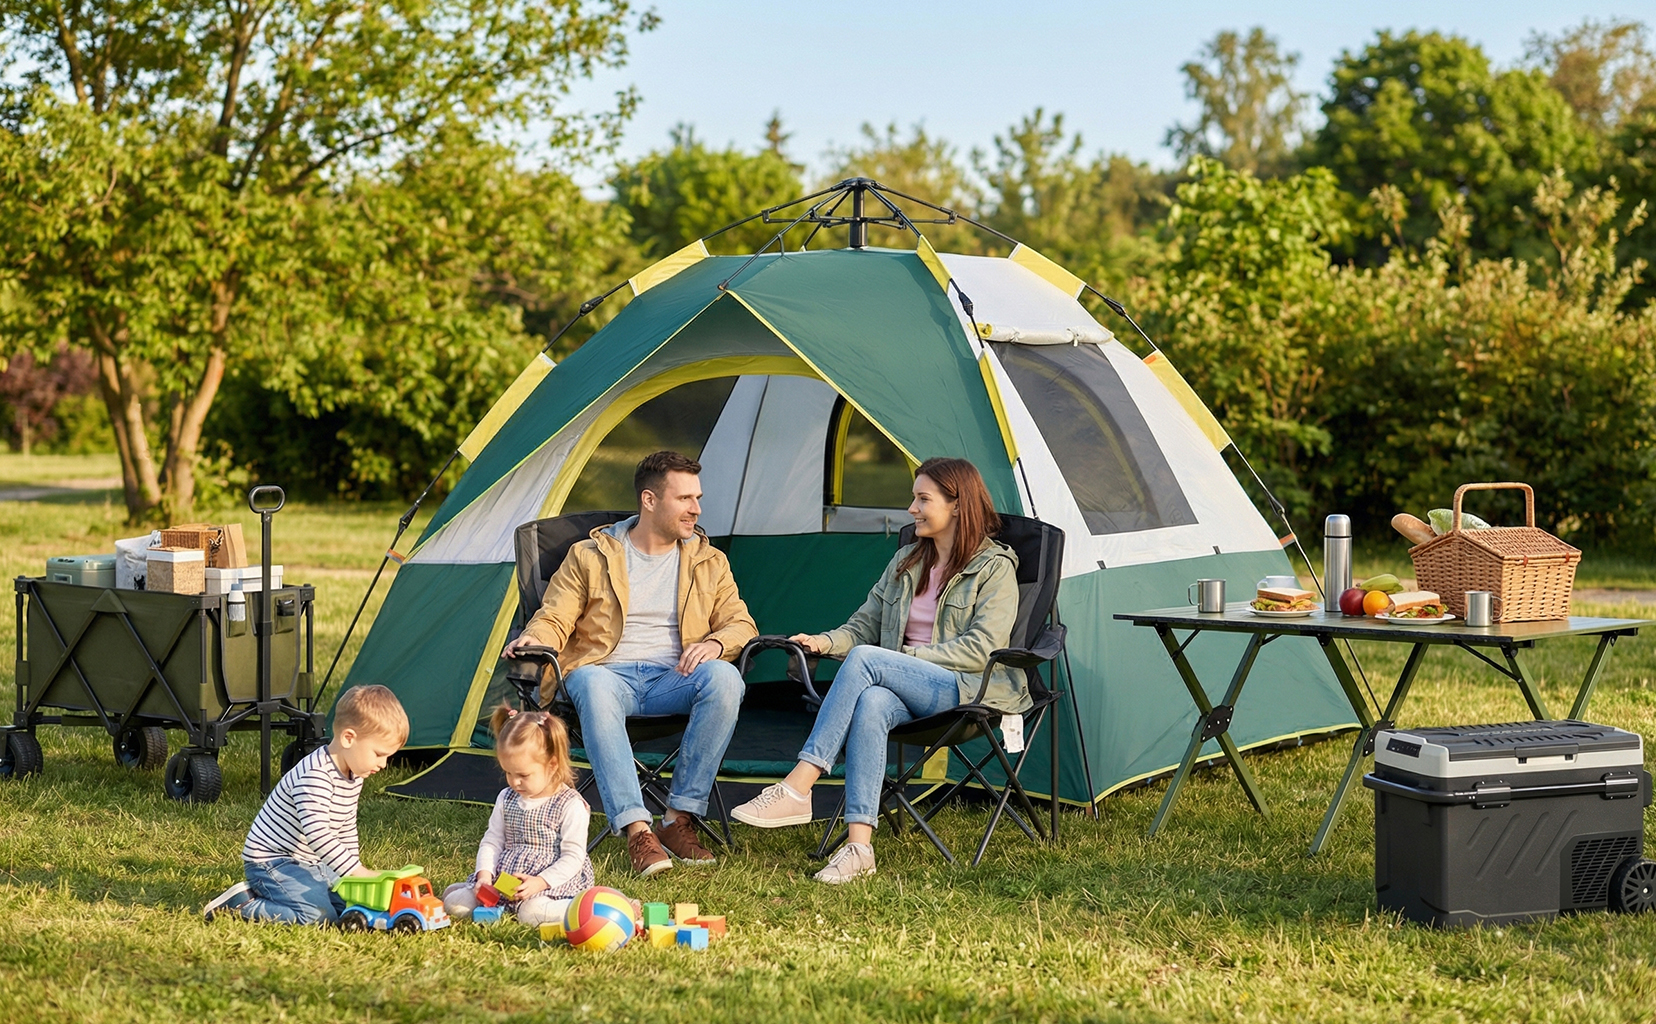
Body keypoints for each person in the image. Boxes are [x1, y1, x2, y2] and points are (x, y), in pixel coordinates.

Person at [730, 457, 1025, 883]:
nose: (912, 509)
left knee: (870, 660)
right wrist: (822, 642)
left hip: (966, 692)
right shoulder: (907, 561)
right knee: (870, 701)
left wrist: (903, 659)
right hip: (901, 686)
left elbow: (984, 648)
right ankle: (859, 848)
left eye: (923, 499)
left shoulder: (994, 567)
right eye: (913, 498)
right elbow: (864, 626)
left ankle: (797, 786)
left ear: (958, 505)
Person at [501, 450, 758, 877]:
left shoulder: (709, 560)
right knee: (592, 684)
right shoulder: (590, 555)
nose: (696, 508)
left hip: (673, 678)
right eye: (685, 499)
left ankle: (678, 818)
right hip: (604, 675)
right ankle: (638, 830)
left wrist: (715, 642)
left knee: (726, 678)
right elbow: (556, 615)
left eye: (697, 497)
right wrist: (536, 638)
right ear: (650, 500)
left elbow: (741, 624)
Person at [202, 684, 409, 923]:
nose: (383, 764)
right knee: (317, 917)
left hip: (312, 861)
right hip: (274, 861)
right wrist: (355, 871)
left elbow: (346, 826)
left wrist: (353, 873)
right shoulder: (316, 775)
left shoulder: (354, 774)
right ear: (349, 738)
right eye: (378, 754)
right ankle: (244, 904)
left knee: (350, 907)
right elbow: (318, 834)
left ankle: (285, 895)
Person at [442, 705, 595, 927]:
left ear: (552, 765)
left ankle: (584, 906)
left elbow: (573, 857)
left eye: (523, 775)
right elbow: (493, 840)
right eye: (508, 772)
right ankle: (468, 891)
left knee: (530, 914)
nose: (514, 782)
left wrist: (540, 882)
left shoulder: (570, 805)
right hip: (504, 881)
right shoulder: (507, 797)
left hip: (550, 885)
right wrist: (484, 875)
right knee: (456, 906)